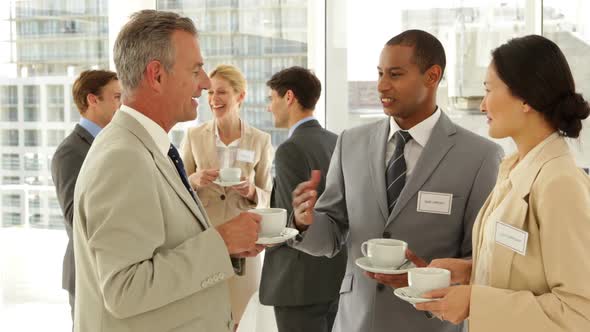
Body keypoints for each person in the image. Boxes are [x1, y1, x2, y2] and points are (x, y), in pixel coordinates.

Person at [289, 29, 504, 332]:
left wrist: (425, 277)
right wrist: (306, 222)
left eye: (395, 74)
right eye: (379, 74)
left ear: (432, 76)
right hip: (355, 321)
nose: (381, 85)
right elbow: (332, 233)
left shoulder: (480, 156)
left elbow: (481, 259)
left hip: (430, 322)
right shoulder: (351, 142)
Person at [72, 10, 263, 332]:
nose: (204, 84)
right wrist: (221, 242)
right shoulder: (124, 157)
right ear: (157, 76)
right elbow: (125, 289)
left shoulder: (148, 147)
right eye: (196, 70)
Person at [414, 35, 590, 332]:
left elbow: (578, 312)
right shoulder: (514, 169)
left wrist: (475, 301)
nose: (482, 105)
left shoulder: (560, 184)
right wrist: (471, 272)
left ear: (525, 98)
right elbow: (530, 270)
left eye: (488, 90)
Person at [180, 64, 273, 323]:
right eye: (210, 93)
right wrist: (195, 180)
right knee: (205, 314)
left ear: (240, 96)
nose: (213, 100)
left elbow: (269, 195)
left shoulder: (260, 140)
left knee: (242, 315)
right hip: (204, 239)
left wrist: (252, 190)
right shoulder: (194, 135)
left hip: (245, 243)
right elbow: (176, 189)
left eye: (221, 92)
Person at [259, 66, 347, 332]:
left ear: (288, 97)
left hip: (298, 284)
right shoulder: (337, 141)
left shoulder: (290, 150)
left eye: (271, 99)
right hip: (335, 277)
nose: (269, 107)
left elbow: (289, 223)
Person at [51, 69, 121, 323]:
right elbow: (75, 216)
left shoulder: (112, 143)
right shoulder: (70, 151)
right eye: (116, 97)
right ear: (93, 100)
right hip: (87, 272)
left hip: (113, 272)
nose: (121, 104)